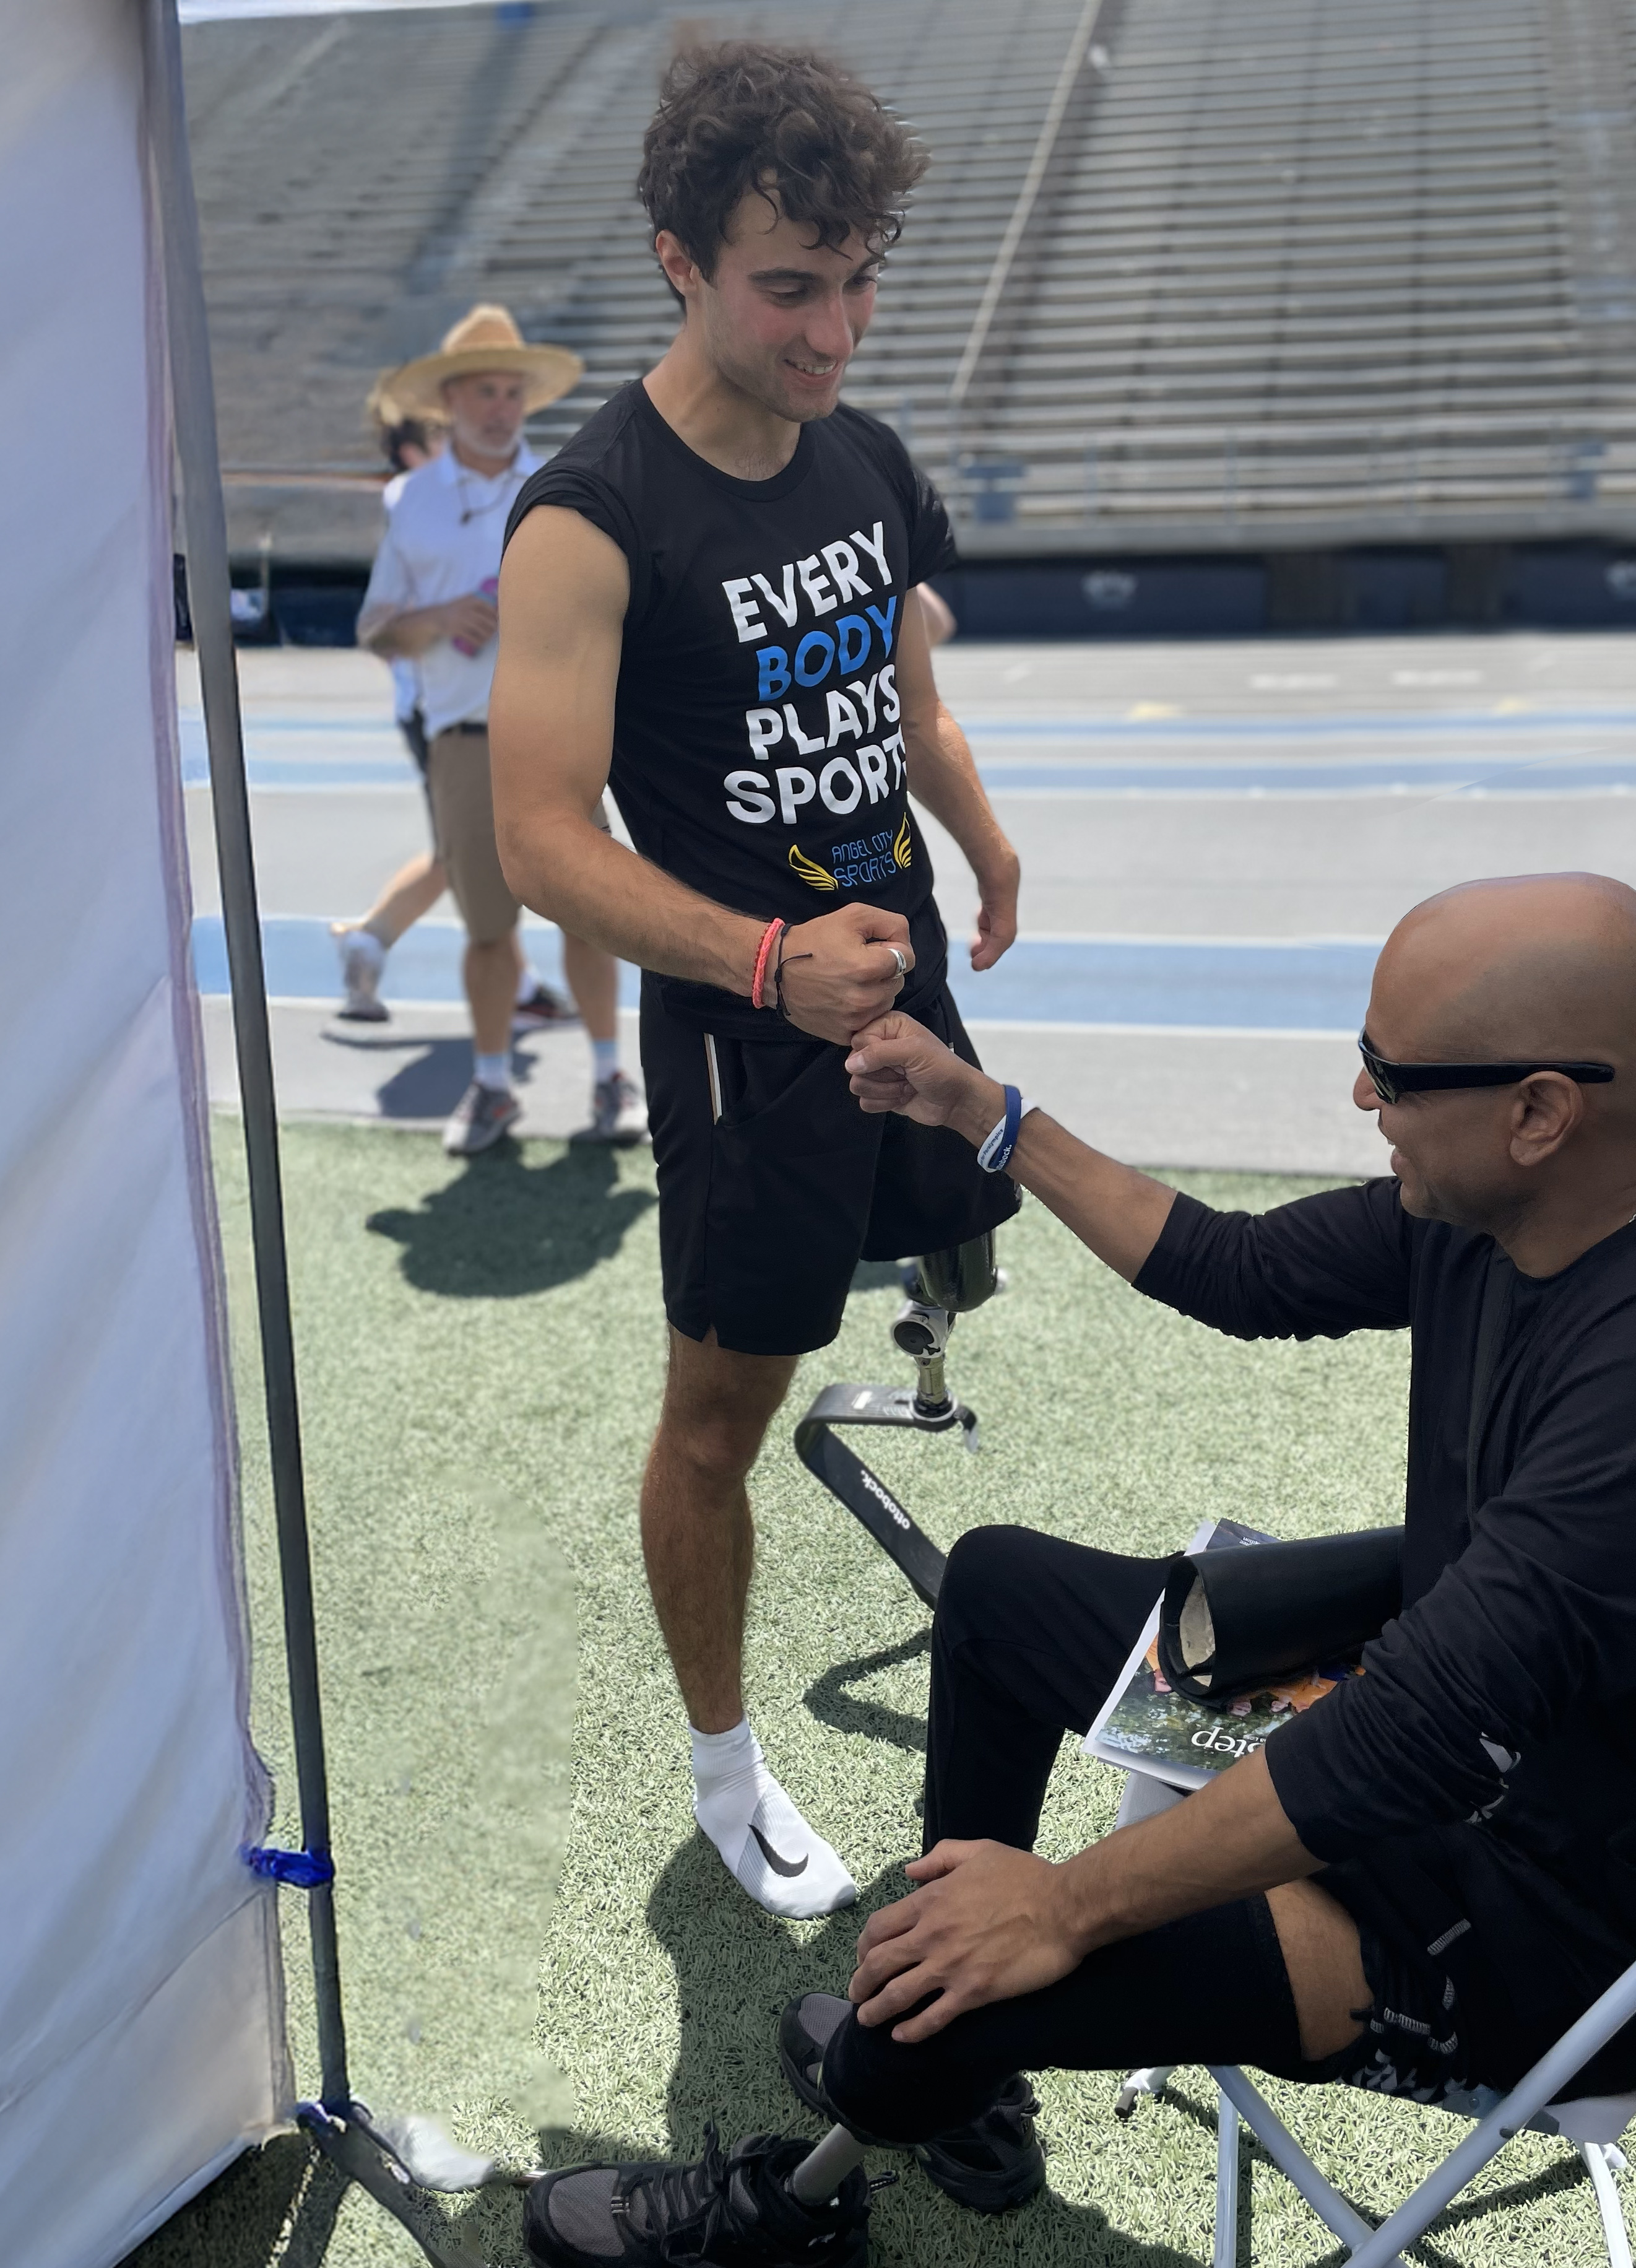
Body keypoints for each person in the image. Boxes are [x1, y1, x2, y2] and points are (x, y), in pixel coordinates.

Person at [512, 876, 1636, 2268]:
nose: (1362, 1094)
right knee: (997, 1593)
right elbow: (1236, 1269)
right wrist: (982, 1110)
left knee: (963, 1979)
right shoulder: (1524, 1204)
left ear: (1541, 1109)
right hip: (1452, 1757)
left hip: (1535, 1921)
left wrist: (1064, 1905)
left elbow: (1411, 1738)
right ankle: (943, 2074)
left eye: (1392, 1075)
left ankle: (803, 2196)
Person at [496, 36, 1026, 1918]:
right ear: (678, 261)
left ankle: (899, 1365)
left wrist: (978, 831)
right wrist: (765, 957)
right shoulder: (591, 515)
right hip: (749, 1027)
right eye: (789, 287)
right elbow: (542, 832)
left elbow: (902, 696)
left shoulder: (867, 455)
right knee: (715, 1415)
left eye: (861, 279)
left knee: (954, 1239)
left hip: (897, 972)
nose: (835, 329)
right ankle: (725, 1766)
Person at [357, 303, 636, 1153]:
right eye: (485, 390)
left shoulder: (566, 481)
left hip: (566, 737)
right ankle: (489, 1087)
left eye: (513, 391)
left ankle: (606, 1077)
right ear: (448, 400)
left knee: (590, 918)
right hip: (465, 740)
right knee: (486, 930)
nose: (501, 407)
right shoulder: (409, 502)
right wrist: (438, 616)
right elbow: (377, 629)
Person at [333, 402, 591, 1043]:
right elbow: (386, 623)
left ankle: (515, 984)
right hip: (442, 710)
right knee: (475, 849)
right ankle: (372, 939)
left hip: (461, 702)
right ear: (422, 451)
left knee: (474, 849)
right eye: (442, 443)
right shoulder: (416, 501)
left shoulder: (463, 501)